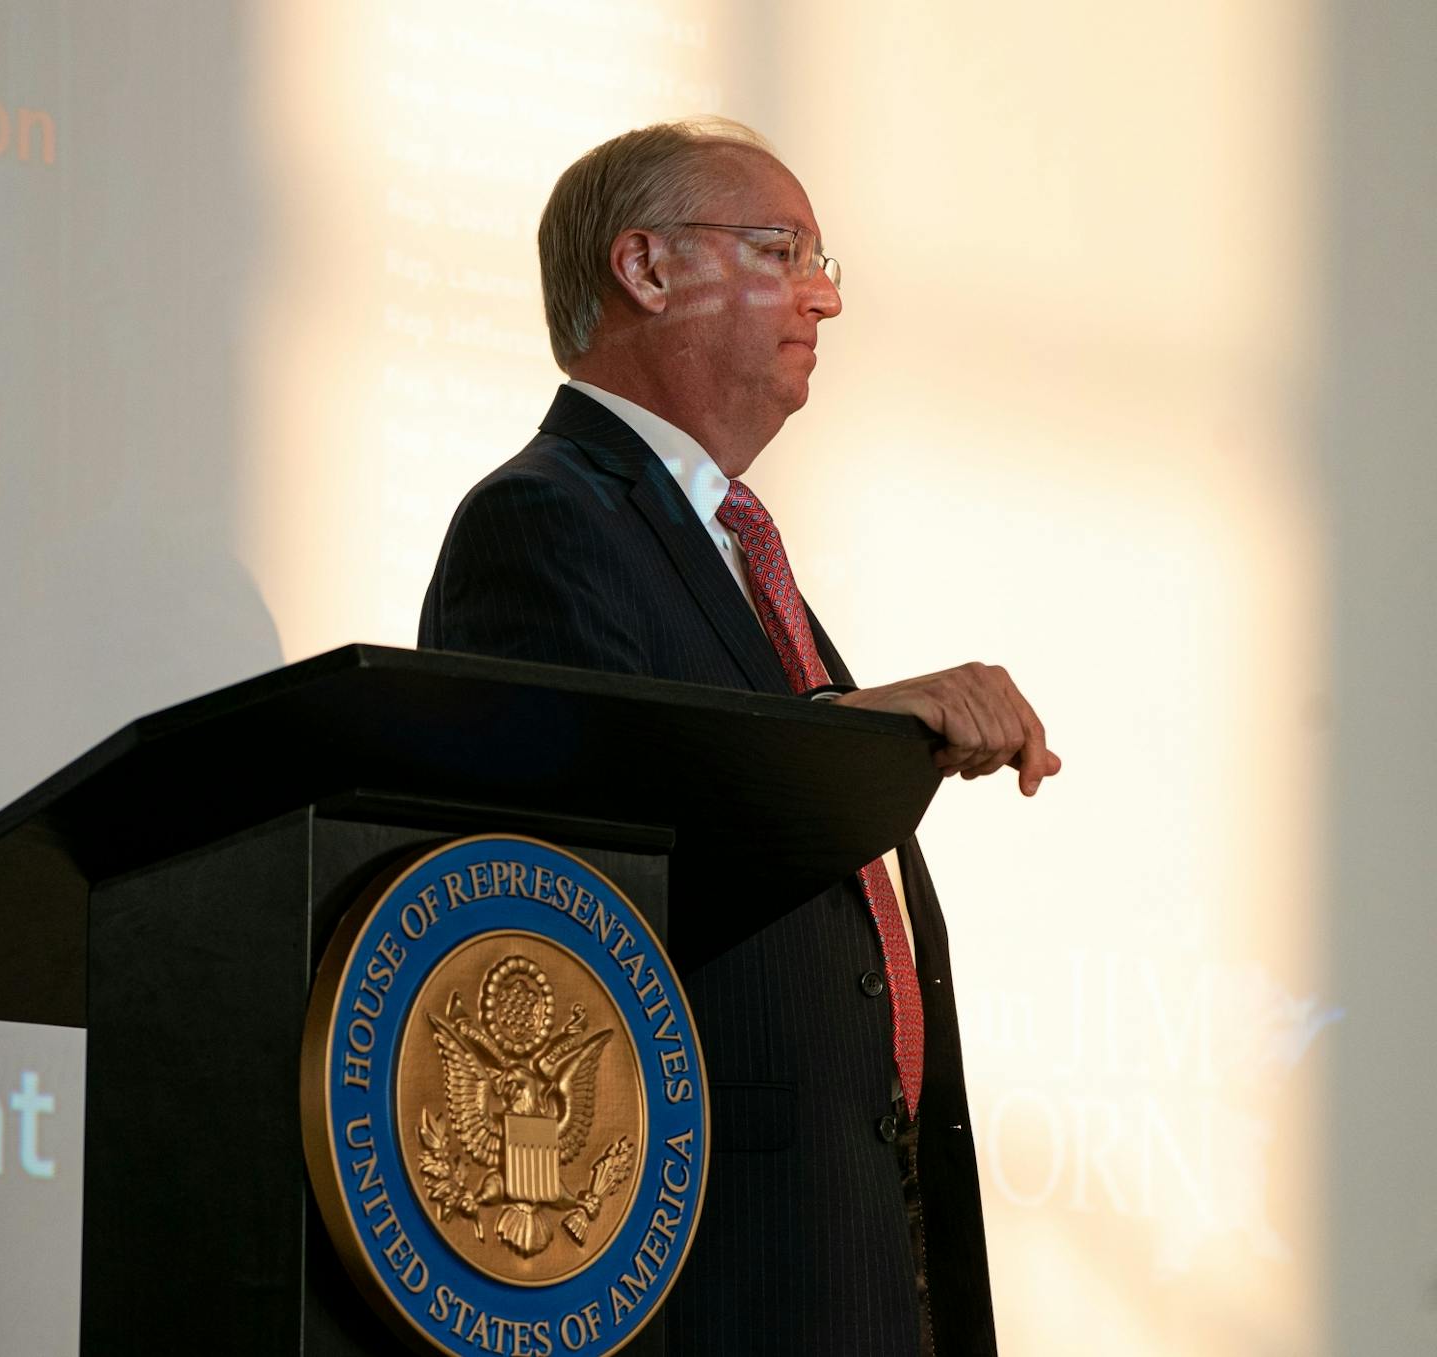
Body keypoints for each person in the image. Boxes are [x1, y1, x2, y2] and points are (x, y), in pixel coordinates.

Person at [417, 117, 1060, 1356]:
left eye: (823, 261)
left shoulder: (726, 540)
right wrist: (850, 730)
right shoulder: (539, 522)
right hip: (722, 1265)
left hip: (864, 1245)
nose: (822, 296)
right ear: (647, 270)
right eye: (780, 249)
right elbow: (590, 877)